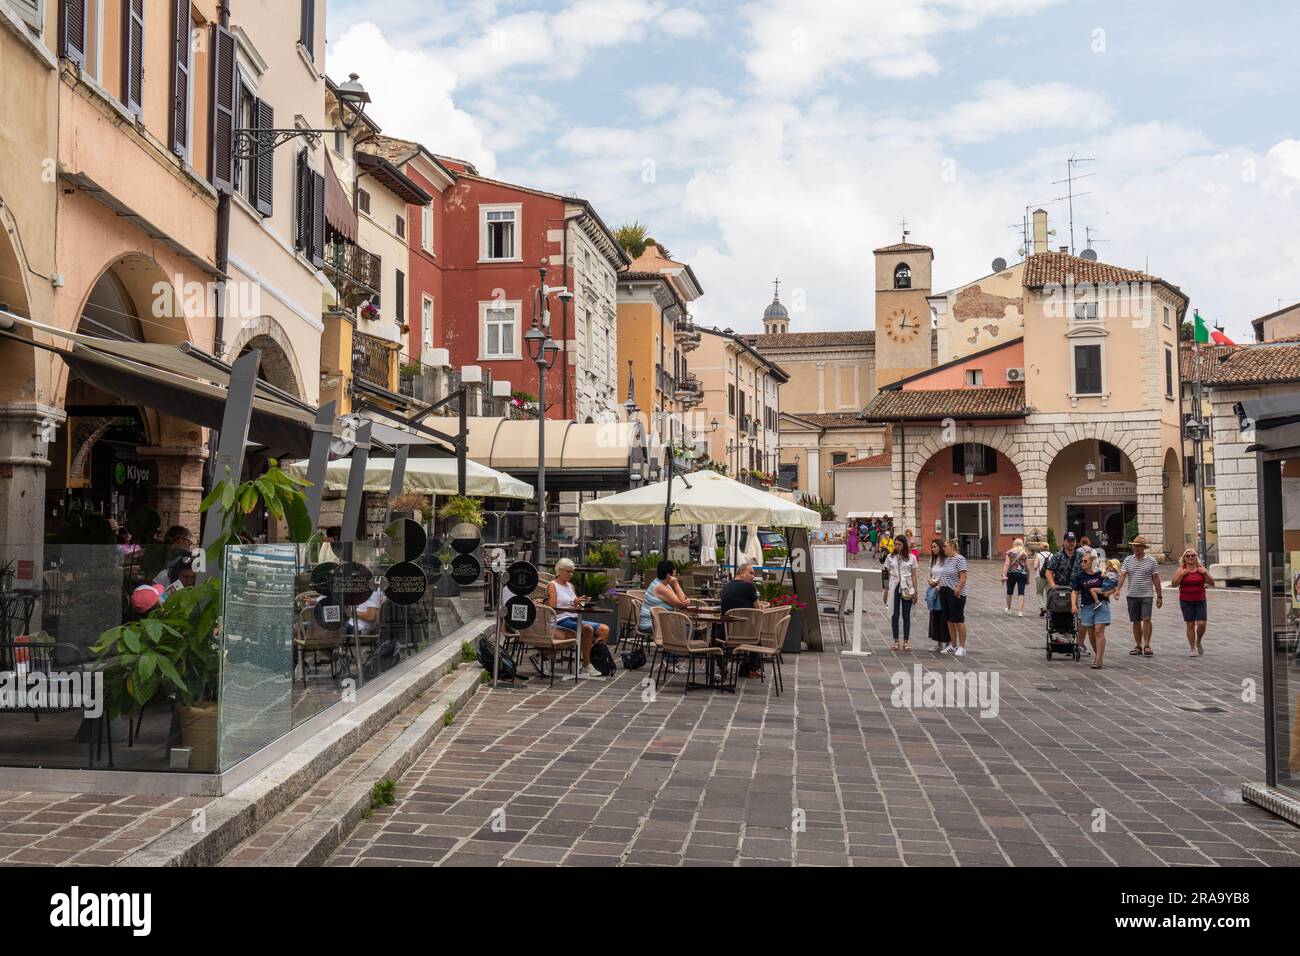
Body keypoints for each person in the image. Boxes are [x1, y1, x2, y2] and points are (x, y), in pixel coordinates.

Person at [548, 558, 610, 679]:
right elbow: (553, 608)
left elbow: (574, 603)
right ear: (559, 570)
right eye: (568, 571)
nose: (570, 574)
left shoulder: (570, 586)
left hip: (574, 618)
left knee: (604, 629)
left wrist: (579, 602)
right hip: (561, 620)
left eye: (572, 572)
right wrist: (572, 604)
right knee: (587, 629)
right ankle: (587, 664)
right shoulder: (552, 585)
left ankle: (595, 659)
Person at [1117, 534, 1162, 657]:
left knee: (1146, 619)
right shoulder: (1128, 560)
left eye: (1138, 547)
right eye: (1134, 546)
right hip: (1132, 594)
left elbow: (1156, 578)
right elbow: (1122, 576)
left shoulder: (1151, 561)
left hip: (1147, 594)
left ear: (1143, 548)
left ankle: (1147, 645)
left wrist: (1159, 596)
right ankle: (1138, 645)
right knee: (1136, 621)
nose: (1136, 549)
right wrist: (1118, 589)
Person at [1045, 532, 1088, 655]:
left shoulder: (1081, 556)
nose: (1071, 543)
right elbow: (1049, 571)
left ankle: (1079, 643)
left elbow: (1087, 569)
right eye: (1069, 541)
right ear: (1064, 542)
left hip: (1077, 591)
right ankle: (1064, 639)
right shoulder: (1058, 556)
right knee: (1060, 614)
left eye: (1073, 541)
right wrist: (1053, 585)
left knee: (1082, 619)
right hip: (1061, 592)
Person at [1071, 550, 1111, 669]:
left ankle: (1098, 660)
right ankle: (1097, 655)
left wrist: (1109, 592)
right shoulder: (1079, 576)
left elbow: (1110, 585)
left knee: (1098, 631)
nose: (1082, 563)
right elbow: (1074, 591)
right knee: (1091, 634)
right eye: (1081, 561)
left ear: (1092, 562)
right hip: (1086, 606)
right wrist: (1073, 605)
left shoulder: (1100, 574)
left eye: (1085, 561)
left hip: (1101, 605)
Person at [1171, 549, 1213, 657]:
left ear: (1196, 557)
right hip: (1186, 601)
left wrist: (1205, 573)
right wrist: (1181, 575)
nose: (1190, 557)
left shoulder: (1200, 569)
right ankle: (1192, 648)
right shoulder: (1181, 570)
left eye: (1193, 555)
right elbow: (1173, 584)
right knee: (1190, 624)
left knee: (1201, 624)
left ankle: (1198, 641)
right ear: (1184, 558)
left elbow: (1212, 582)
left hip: (1200, 600)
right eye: (1188, 556)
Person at [883, 535, 918, 652]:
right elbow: (886, 574)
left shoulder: (912, 557)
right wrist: (886, 590)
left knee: (906, 615)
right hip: (894, 585)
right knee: (894, 613)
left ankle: (906, 641)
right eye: (895, 544)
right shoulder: (890, 557)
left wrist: (915, 591)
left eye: (899, 544)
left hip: (907, 586)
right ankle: (896, 640)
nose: (897, 546)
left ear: (904, 545)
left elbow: (914, 575)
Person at [938, 539, 968, 656]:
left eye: (945, 546)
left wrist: (958, 589)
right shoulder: (947, 559)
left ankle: (962, 647)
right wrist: (939, 585)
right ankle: (953, 645)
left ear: (952, 546)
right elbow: (944, 575)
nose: (943, 548)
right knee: (949, 619)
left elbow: (963, 576)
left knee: (958, 619)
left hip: (955, 592)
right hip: (945, 591)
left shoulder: (960, 559)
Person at [925, 539, 947, 651]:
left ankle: (948, 642)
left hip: (943, 589)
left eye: (935, 547)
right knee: (935, 615)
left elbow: (946, 574)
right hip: (933, 589)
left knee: (944, 615)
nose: (933, 549)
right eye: (932, 547)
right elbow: (929, 572)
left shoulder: (946, 560)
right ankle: (938, 642)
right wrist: (929, 580)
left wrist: (939, 583)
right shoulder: (933, 559)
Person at [1002, 537, 1030, 617]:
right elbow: (1027, 568)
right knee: (1021, 592)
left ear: (1014, 544)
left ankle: (1009, 609)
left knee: (1009, 591)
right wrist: (1028, 578)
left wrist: (1004, 575)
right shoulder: (1024, 554)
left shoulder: (1009, 552)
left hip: (1011, 573)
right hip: (1023, 574)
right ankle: (1020, 612)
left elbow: (1007, 564)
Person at [1034, 544, 1051, 617]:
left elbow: (1035, 566)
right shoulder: (1052, 555)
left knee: (1039, 592)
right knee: (1049, 593)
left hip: (1040, 576)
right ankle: (1049, 609)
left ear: (1040, 548)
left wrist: (1037, 570)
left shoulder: (1038, 555)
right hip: (1050, 576)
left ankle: (1042, 607)